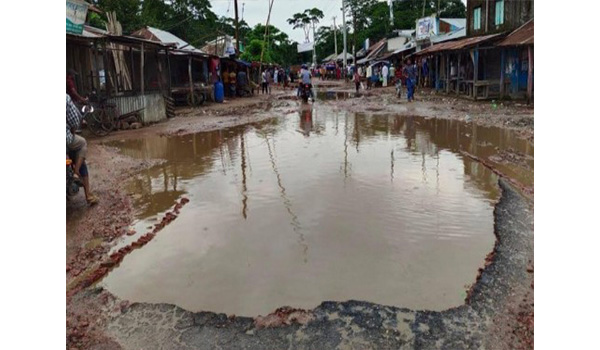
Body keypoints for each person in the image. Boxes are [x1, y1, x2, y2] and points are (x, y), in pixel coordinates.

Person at [66, 94, 98, 205]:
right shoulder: (65, 98)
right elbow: (74, 120)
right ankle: (87, 194)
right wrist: (73, 130)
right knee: (82, 144)